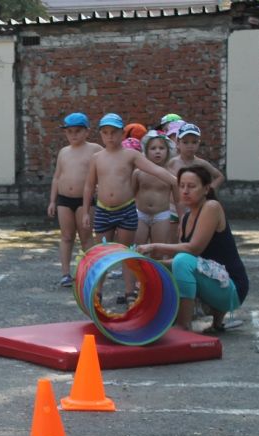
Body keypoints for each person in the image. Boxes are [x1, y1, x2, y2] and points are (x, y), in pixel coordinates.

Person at [137, 165, 248, 332]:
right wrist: (152, 263)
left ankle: (184, 324)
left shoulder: (211, 207)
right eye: (182, 186)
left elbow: (193, 249)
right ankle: (204, 321)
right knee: (160, 267)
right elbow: (181, 261)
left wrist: (155, 246)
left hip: (232, 290)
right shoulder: (186, 218)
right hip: (214, 285)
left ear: (206, 189)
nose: (185, 191)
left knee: (182, 261)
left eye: (191, 186)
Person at [82, 113, 176, 304]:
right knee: (102, 252)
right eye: (105, 132)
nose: (110, 136)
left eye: (114, 132)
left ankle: (129, 291)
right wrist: (85, 211)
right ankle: (97, 290)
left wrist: (178, 182)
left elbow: (155, 169)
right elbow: (89, 185)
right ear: (101, 134)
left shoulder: (131, 155)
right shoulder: (97, 158)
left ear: (121, 133)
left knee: (126, 252)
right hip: (103, 210)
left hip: (126, 210)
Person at [47, 112, 102, 287]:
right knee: (66, 236)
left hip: (84, 200)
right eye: (69, 131)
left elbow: (106, 168)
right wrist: (52, 201)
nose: (73, 135)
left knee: (86, 236)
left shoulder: (95, 149)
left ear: (87, 132)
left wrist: (101, 187)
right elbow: (57, 177)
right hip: (64, 200)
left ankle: (91, 272)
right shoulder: (63, 152)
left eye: (77, 131)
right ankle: (65, 273)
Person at [133, 130, 177, 245]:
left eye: (161, 148)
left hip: (161, 215)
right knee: (138, 247)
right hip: (140, 214)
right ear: (146, 151)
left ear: (168, 151)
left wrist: (182, 219)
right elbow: (131, 195)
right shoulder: (138, 173)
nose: (157, 151)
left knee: (159, 249)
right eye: (153, 148)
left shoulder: (171, 175)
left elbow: (178, 201)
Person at [167, 123, 224, 212]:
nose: (190, 146)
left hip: (194, 208)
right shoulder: (171, 163)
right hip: (173, 208)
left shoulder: (201, 163)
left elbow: (219, 177)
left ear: (198, 143)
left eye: (194, 142)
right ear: (178, 143)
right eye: (185, 142)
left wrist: (208, 190)